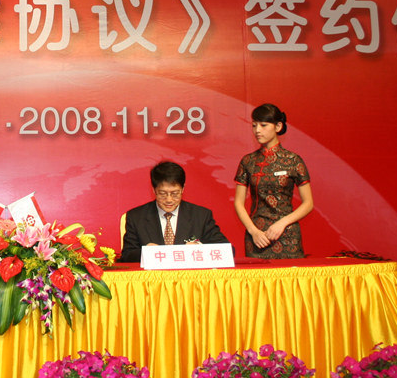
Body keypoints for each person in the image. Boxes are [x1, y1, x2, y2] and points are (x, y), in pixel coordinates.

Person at [233, 103, 313, 259]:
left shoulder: (293, 160)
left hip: (287, 235)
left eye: (263, 125)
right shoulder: (248, 161)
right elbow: (238, 202)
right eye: (254, 125)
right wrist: (253, 231)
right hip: (257, 237)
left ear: (278, 126)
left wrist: (282, 223)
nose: (257, 130)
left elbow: (308, 203)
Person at [119, 161, 229, 262]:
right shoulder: (136, 217)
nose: (169, 199)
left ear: (183, 189)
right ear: (154, 190)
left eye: (175, 193)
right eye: (162, 193)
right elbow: (126, 255)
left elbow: (227, 250)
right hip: (152, 276)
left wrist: (199, 248)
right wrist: (146, 252)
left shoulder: (201, 216)